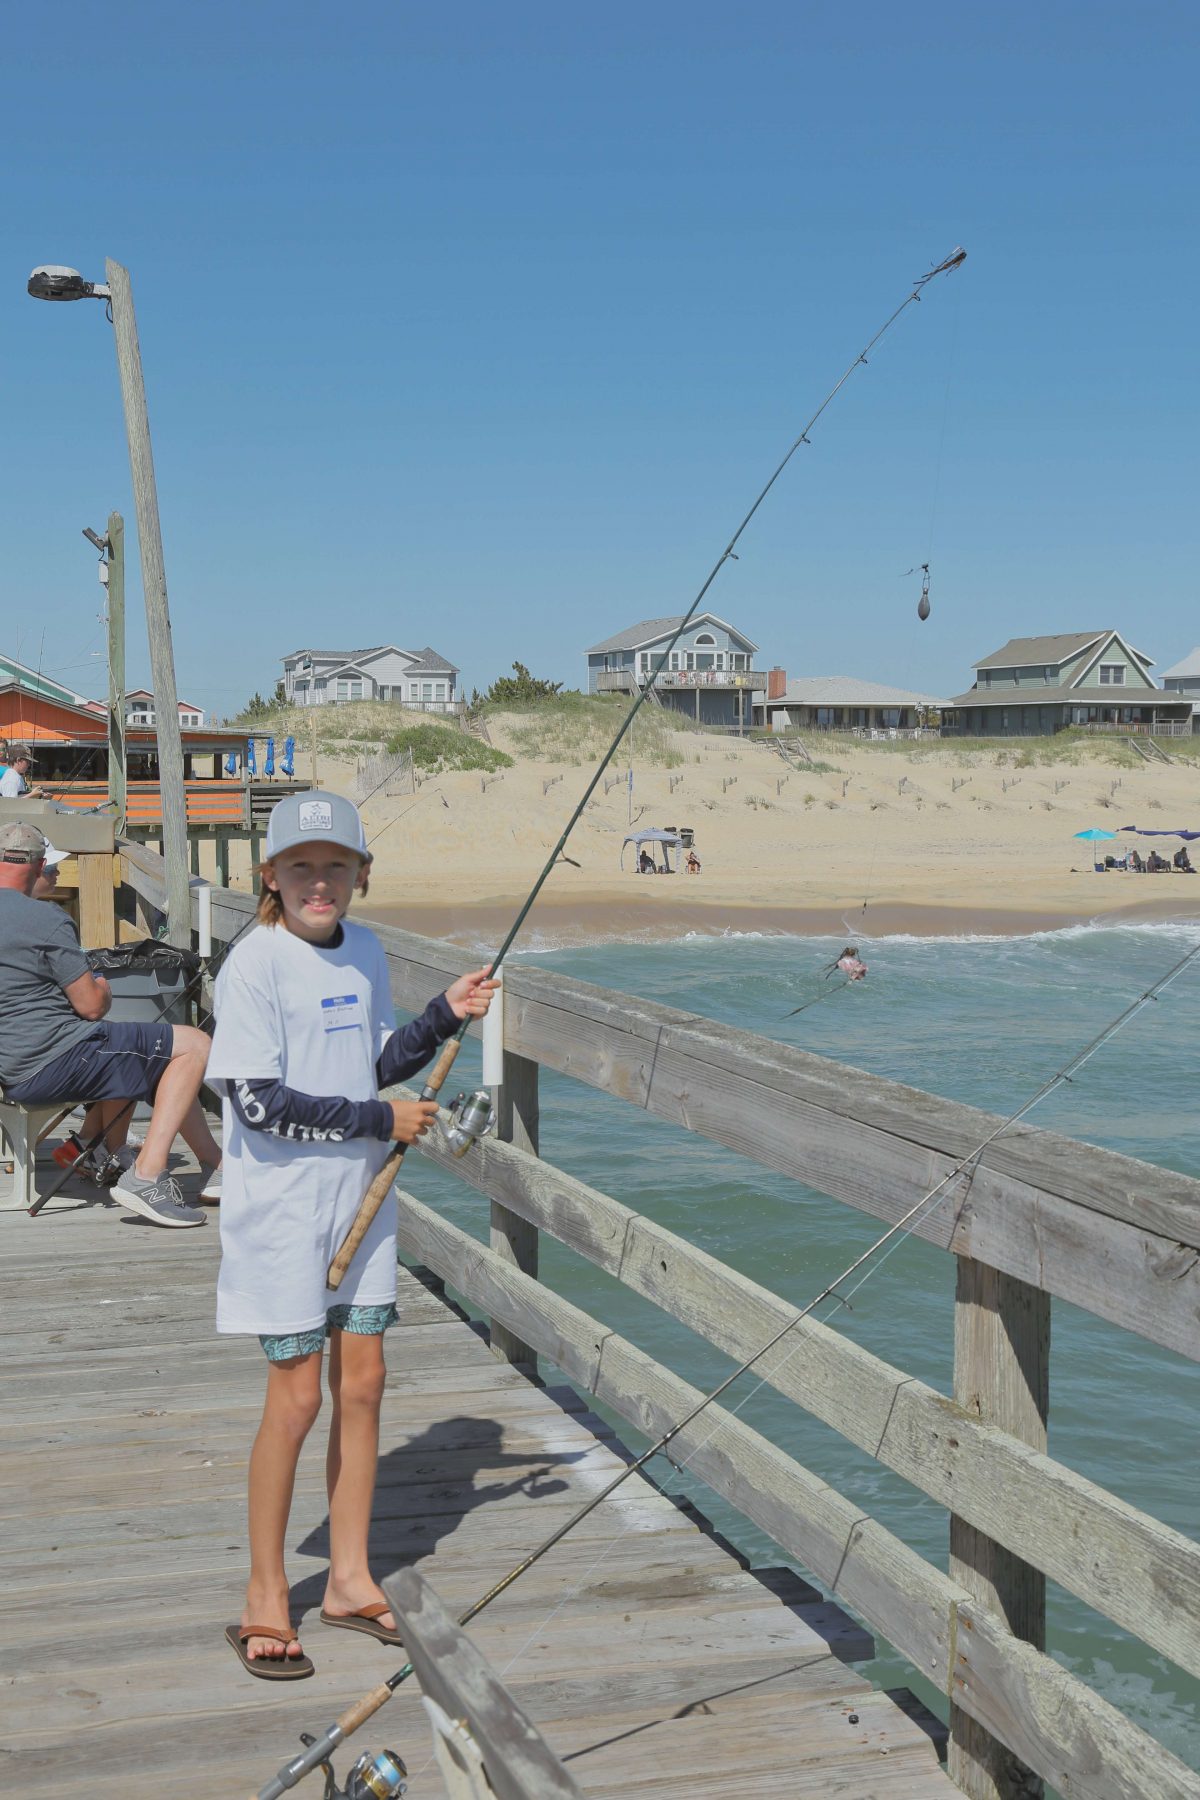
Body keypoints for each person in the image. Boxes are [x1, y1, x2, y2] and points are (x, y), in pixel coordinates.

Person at [208, 791, 497, 1679]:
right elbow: (255, 1099)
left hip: (363, 1203)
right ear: (271, 877)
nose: (319, 882)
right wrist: (381, 1116)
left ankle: (348, 1576)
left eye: (337, 866)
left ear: (362, 876)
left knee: (363, 1387)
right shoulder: (252, 966)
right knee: (295, 1400)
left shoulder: (365, 950)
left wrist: (442, 1015)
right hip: (286, 1214)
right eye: (302, 867)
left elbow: (369, 1062)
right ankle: (264, 1595)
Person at [0, 820, 222, 1225]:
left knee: (149, 1053)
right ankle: (146, 1176)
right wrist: (101, 986)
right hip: (52, 1061)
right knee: (193, 1044)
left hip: (12, 1065)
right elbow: (90, 1007)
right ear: (38, 864)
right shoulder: (44, 919)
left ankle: (215, 1164)